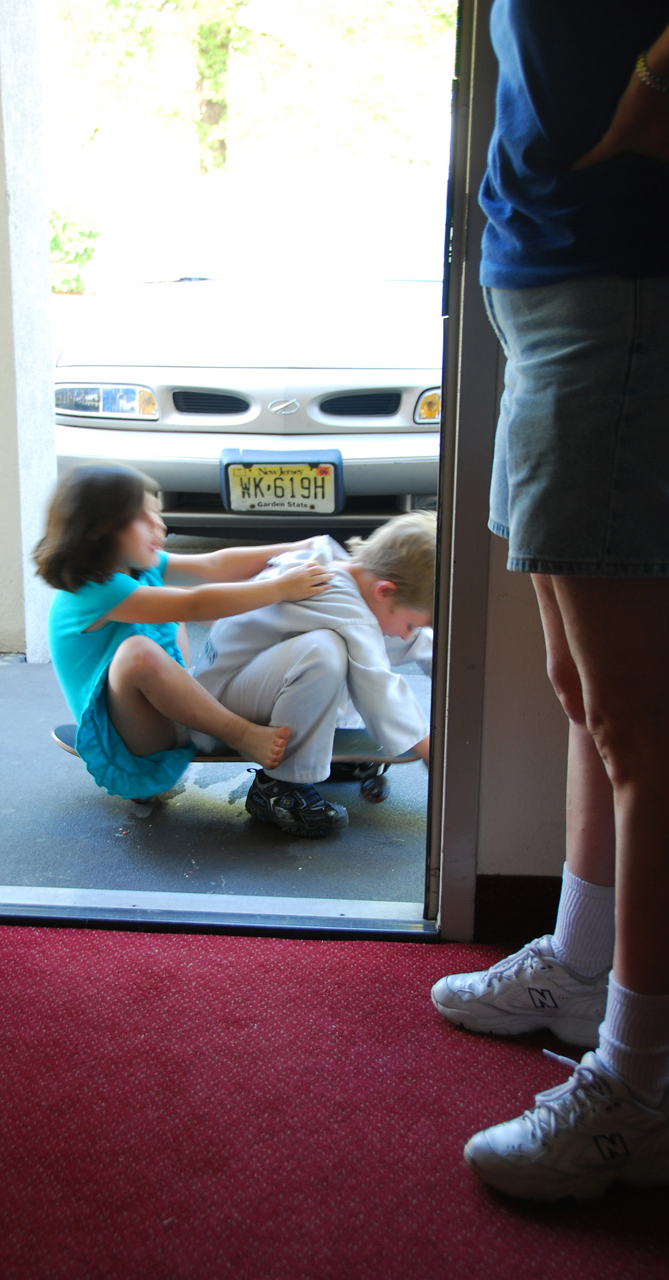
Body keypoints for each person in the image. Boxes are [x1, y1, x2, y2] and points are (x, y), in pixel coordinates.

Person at [430, 2, 669, 1201]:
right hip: (544, 285)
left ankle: (641, 1079)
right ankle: (581, 964)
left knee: (643, 728)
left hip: (611, 287)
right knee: (581, 694)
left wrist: (636, 104)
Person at [34, 464, 332, 801]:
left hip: (166, 710)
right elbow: (195, 603)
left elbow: (213, 566)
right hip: (134, 744)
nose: (159, 526)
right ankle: (240, 733)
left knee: (174, 613)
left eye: (158, 515)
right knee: (140, 651)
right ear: (100, 528)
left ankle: (206, 702)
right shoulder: (94, 592)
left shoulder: (139, 567)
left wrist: (296, 548)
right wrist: (280, 589)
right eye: (144, 518)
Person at [192, 513, 435, 837]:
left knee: (365, 638)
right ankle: (280, 787)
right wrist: (430, 752)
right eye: (412, 624)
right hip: (218, 705)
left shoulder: (336, 564)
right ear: (384, 590)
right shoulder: (340, 600)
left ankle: (322, 754)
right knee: (325, 652)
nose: (409, 635)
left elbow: (422, 643)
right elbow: (378, 688)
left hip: (244, 681)